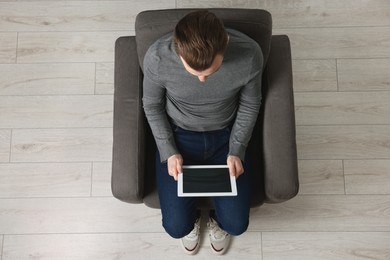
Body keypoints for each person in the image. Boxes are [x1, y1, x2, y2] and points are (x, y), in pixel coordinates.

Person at [142, 10, 263, 255]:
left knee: (236, 224)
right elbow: (152, 105)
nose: (202, 80)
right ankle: (194, 218)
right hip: (179, 135)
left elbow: (251, 104)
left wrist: (236, 149)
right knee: (176, 227)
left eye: (210, 72)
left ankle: (218, 220)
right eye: (194, 72)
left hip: (226, 136)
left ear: (225, 44)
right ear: (178, 49)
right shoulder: (158, 57)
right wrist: (169, 151)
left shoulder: (249, 55)